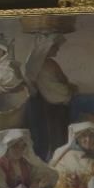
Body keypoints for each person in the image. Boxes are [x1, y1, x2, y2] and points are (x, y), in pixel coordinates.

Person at [24, 32, 76, 160]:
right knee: (55, 140)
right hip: (51, 107)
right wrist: (69, 89)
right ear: (47, 48)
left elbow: (61, 82)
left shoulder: (46, 64)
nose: (57, 49)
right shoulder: (44, 65)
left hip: (53, 105)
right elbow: (60, 85)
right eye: (55, 46)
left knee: (56, 140)